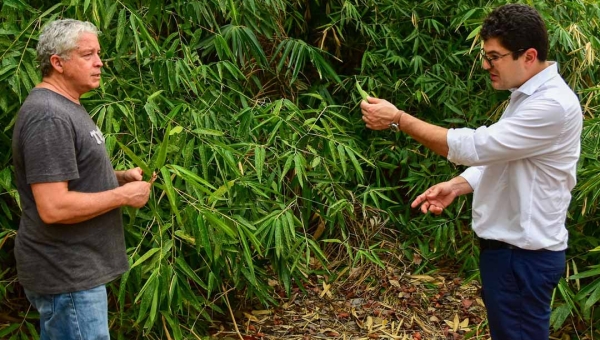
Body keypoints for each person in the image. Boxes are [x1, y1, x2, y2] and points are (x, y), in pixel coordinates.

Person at [361, 4, 582, 339]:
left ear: (528, 55)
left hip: (522, 257)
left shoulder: (550, 105)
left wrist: (399, 119)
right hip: (512, 255)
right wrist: (458, 185)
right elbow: (505, 158)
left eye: (494, 56)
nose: (485, 64)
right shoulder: (527, 95)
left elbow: (475, 147)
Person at [12, 19, 154, 339]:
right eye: (88, 54)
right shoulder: (49, 115)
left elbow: (63, 176)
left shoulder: (66, 106)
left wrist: (116, 178)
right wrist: (123, 196)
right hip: (68, 275)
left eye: (98, 53)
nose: (100, 62)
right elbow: (54, 206)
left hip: (76, 274)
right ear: (57, 63)